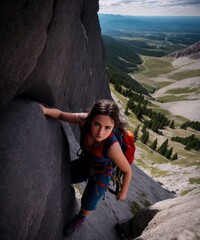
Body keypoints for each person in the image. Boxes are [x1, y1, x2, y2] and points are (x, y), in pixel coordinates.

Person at [39, 99, 132, 236]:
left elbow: (127, 170)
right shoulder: (83, 121)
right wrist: (44, 110)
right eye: (97, 124)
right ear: (90, 119)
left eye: (108, 128)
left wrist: (123, 191)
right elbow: (60, 114)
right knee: (63, 177)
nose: (100, 132)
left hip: (102, 172)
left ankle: (80, 218)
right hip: (86, 163)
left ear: (114, 126)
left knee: (89, 201)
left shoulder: (113, 147)